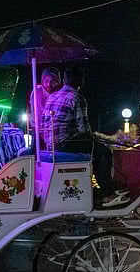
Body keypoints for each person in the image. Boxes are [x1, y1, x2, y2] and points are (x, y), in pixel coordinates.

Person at [44, 65, 128, 208]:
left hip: (51, 143)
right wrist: (96, 138)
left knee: (94, 148)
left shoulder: (52, 97)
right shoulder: (77, 98)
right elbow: (84, 130)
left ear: (64, 80)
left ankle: (101, 189)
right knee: (104, 151)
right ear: (81, 82)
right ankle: (107, 192)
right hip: (66, 143)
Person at [29, 67, 61, 149]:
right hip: (38, 129)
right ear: (42, 81)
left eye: (52, 81)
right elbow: (38, 114)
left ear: (58, 82)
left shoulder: (58, 94)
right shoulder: (37, 91)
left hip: (54, 131)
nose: (49, 84)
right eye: (46, 81)